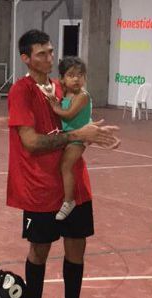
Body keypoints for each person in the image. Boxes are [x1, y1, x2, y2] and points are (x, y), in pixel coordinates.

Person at [7, 29, 119, 298]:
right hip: (41, 188)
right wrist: (76, 136)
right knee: (39, 252)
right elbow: (31, 142)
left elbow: (76, 127)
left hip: (75, 186)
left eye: (50, 51)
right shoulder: (21, 91)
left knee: (76, 251)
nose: (48, 58)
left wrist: (92, 135)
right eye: (40, 53)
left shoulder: (62, 88)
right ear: (26, 58)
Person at [43, 56, 92, 221]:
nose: (77, 79)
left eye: (80, 75)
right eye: (71, 75)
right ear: (63, 79)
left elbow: (69, 114)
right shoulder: (66, 93)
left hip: (78, 138)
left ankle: (68, 201)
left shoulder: (82, 96)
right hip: (67, 136)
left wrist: (54, 107)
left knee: (66, 166)